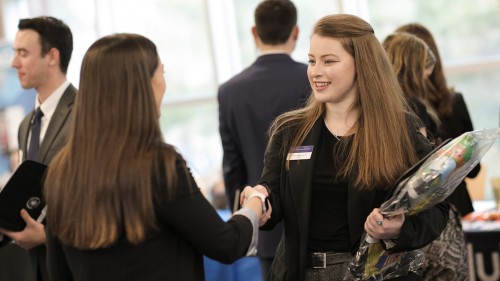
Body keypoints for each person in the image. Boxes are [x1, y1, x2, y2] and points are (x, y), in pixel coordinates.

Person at [42, 33, 270, 281]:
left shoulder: (61, 171)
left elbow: (58, 271)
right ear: (144, 85)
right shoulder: (159, 166)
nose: (164, 82)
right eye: (161, 72)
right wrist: (255, 203)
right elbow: (226, 244)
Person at [246, 14, 450, 281]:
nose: (315, 71)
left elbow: (437, 207)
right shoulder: (290, 131)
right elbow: (272, 192)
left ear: (361, 65)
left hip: (377, 274)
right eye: (311, 61)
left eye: (329, 61)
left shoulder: (399, 128)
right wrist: (260, 201)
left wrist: (399, 227)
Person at [218, 0, 309, 277]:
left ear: (254, 33)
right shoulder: (313, 80)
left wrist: (247, 216)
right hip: (315, 221)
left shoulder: (230, 91)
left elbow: (233, 168)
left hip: (264, 223)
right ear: (295, 32)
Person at [394, 23, 480, 281]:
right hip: (435, 214)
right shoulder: (422, 108)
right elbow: (472, 170)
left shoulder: (394, 110)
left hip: (415, 218)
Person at [0, 16, 76, 281]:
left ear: (52, 56)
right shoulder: (25, 125)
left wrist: (48, 236)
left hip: (76, 265)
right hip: (37, 268)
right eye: (14, 53)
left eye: (23, 53)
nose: (14, 63)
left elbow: (97, 199)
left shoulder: (87, 115)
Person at [382, 32, 440, 140]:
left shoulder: (378, 103)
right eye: (424, 77)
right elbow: (423, 154)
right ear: (414, 72)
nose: (425, 83)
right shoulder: (414, 106)